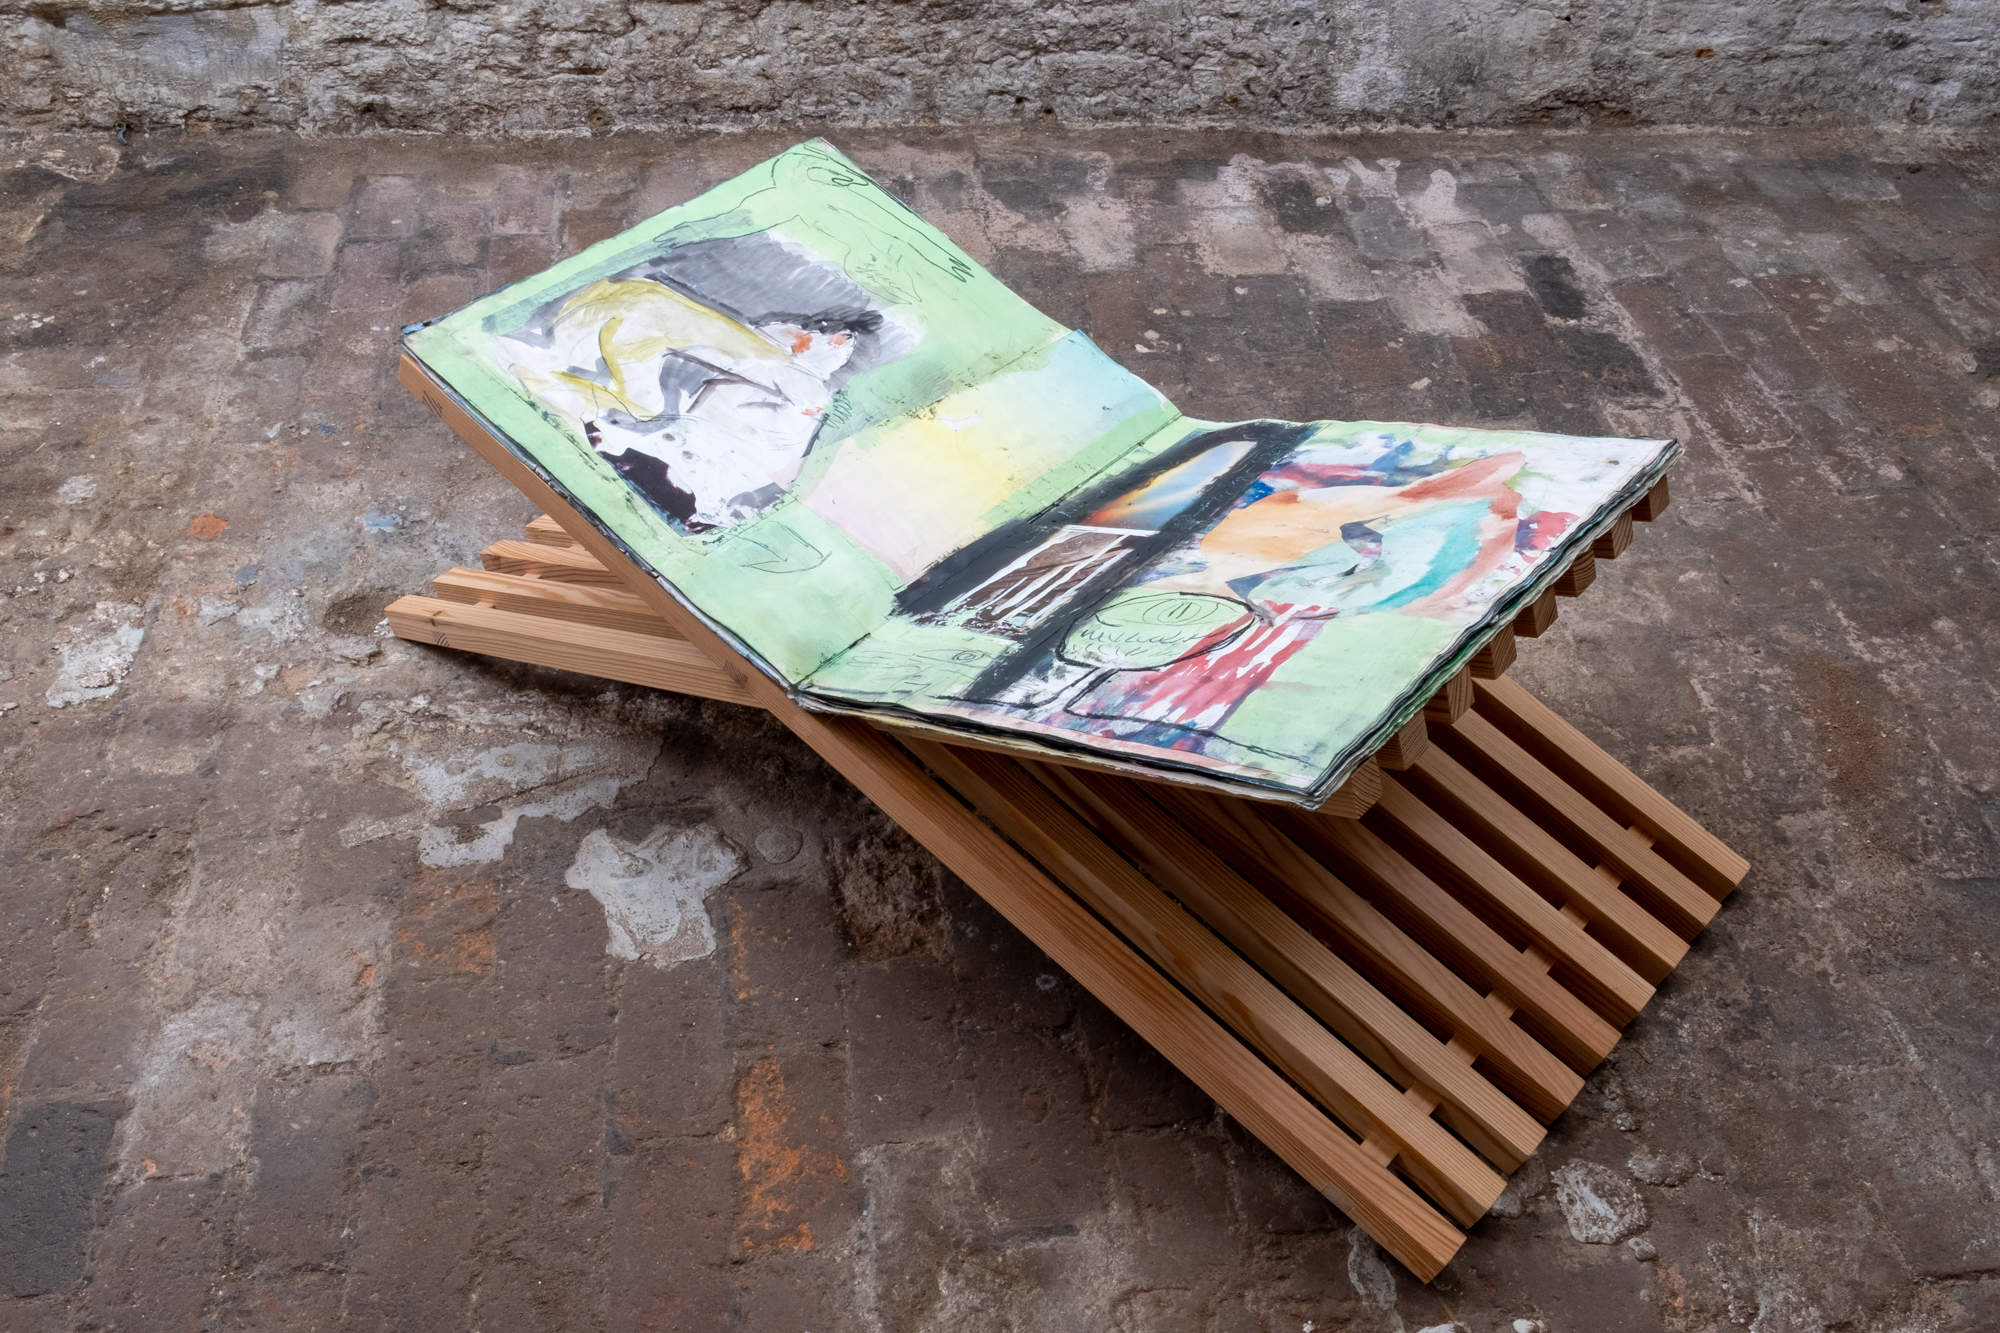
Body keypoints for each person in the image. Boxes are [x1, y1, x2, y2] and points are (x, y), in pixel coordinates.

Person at [491, 277, 875, 531]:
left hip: (703, 459)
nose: (806, 335)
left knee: (637, 422)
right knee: (633, 414)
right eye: (813, 330)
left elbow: (756, 393)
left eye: (829, 337)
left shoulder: (798, 380)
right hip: (684, 444)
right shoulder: (770, 357)